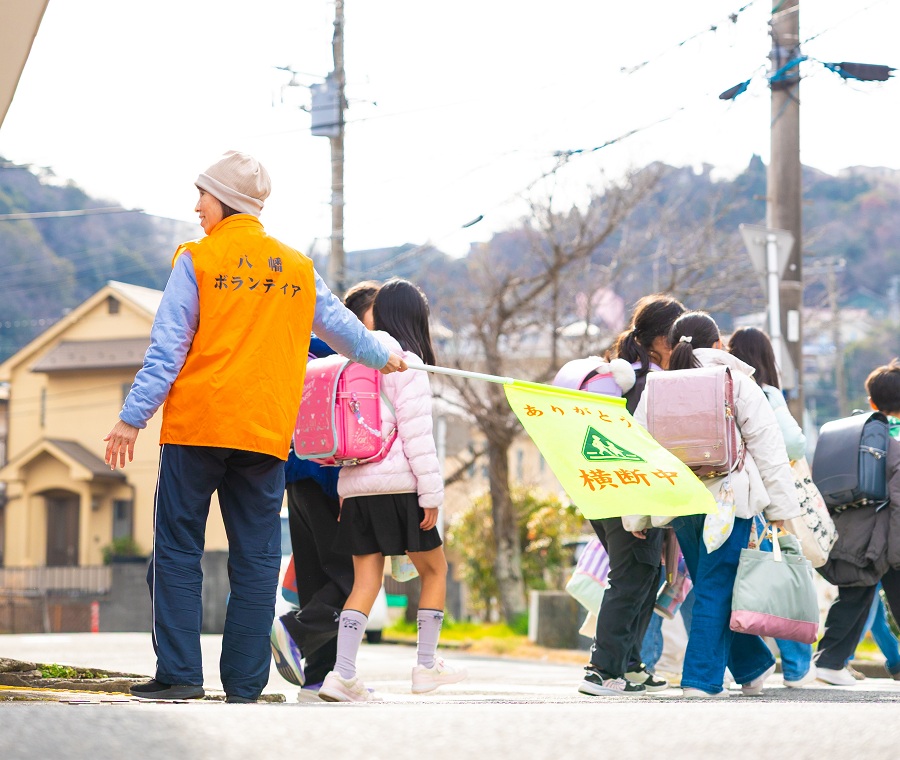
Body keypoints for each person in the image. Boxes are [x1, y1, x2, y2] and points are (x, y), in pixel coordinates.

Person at [103, 151, 406, 703]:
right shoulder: (295, 267)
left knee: (176, 550)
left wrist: (131, 418)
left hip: (198, 426)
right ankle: (244, 684)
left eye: (203, 195)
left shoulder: (198, 258)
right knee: (257, 559)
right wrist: (388, 356)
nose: (197, 206)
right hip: (265, 433)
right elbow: (347, 333)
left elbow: (166, 351)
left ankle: (179, 676)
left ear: (226, 200)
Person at [632, 311, 800, 697]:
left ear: (673, 346)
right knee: (717, 586)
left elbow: (641, 453)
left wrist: (636, 512)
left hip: (680, 502)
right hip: (728, 498)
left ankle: (753, 666)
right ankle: (701, 680)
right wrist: (781, 512)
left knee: (712, 584)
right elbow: (768, 448)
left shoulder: (657, 387)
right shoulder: (736, 382)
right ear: (719, 343)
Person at [318, 278, 466, 702]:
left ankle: (342, 674)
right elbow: (418, 435)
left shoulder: (354, 356)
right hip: (400, 485)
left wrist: (346, 493)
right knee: (435, 571)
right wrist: (431, 495)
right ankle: (425, 667)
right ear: (415, 318)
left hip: (356, 486)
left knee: (365, 582)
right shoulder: (404, 360)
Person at [270, 281, 381, 694]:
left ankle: (318, 676)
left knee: (318, 576)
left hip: (296, 472)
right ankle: (297, 633)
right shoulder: (347, 356)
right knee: (353, 577)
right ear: (354, 318)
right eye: (376, 316)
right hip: (331, 476)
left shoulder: (307, 348)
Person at [577, 294, 685, 697]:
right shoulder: (647, 382)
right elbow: (639, 449)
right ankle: (601, 669)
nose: (681, 346)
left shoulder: (626, 373)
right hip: (632, 494)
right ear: (659, 339)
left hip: (603, 491)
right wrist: (639, 509)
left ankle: (631, 665)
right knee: (630, 578)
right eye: (676, 338)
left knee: (646, 575)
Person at [728, 326, 815, 688]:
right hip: (765, 498)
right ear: (767, 358)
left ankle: (749, 667)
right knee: (778, 573)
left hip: (729, 496)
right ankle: (795, 667)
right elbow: (794, 443)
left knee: (738, 581)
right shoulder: (765, 392)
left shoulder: (723, 384)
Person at [814, 359, 900, 685]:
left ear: (873, 403)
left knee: (854, 595)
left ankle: (830, 661)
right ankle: (830, 662)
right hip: (892, 534)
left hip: (858, 533)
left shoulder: (860, 431)